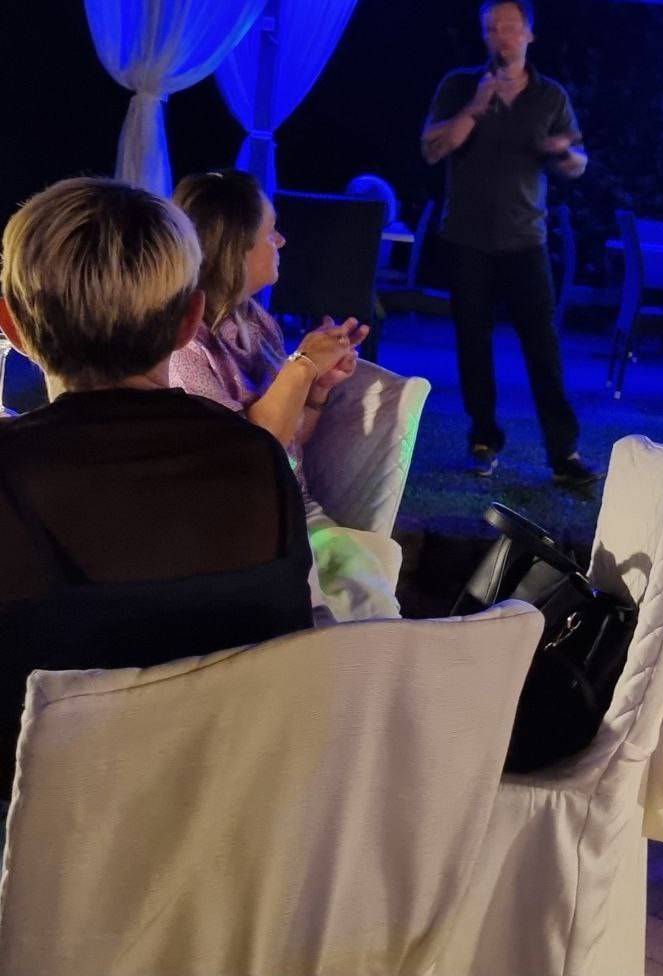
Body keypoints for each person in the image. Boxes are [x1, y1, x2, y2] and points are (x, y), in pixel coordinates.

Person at [0, 177, 314, 797]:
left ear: (11, 326)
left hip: (46, 835)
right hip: (242, 821)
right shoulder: (258, 460)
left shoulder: (12, 476)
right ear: (189, 320)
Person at [169, 170, 402, 623]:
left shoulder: (256, 322)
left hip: (290, 508)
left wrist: (316, 390)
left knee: (370, 597)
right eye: (269, 232)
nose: (281, 240)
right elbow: (249, 453)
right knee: (355, 608)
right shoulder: (186, 346)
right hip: (239, 528)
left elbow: (288, 442)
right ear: (234, 248)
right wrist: (303, 365)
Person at [421, 0, 597, 488]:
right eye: (492, 28)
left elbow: (577, 164)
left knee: (543, 347)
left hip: (525, 238)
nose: (501, 36)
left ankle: (563, 453)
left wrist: (563, 154)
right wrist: (476, 106)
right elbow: (433, 150)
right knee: (473, 344)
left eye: (510, 27)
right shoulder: (460, 85)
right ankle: (483, 439)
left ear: (529, 33)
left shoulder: (550, 96)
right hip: (467, 237)